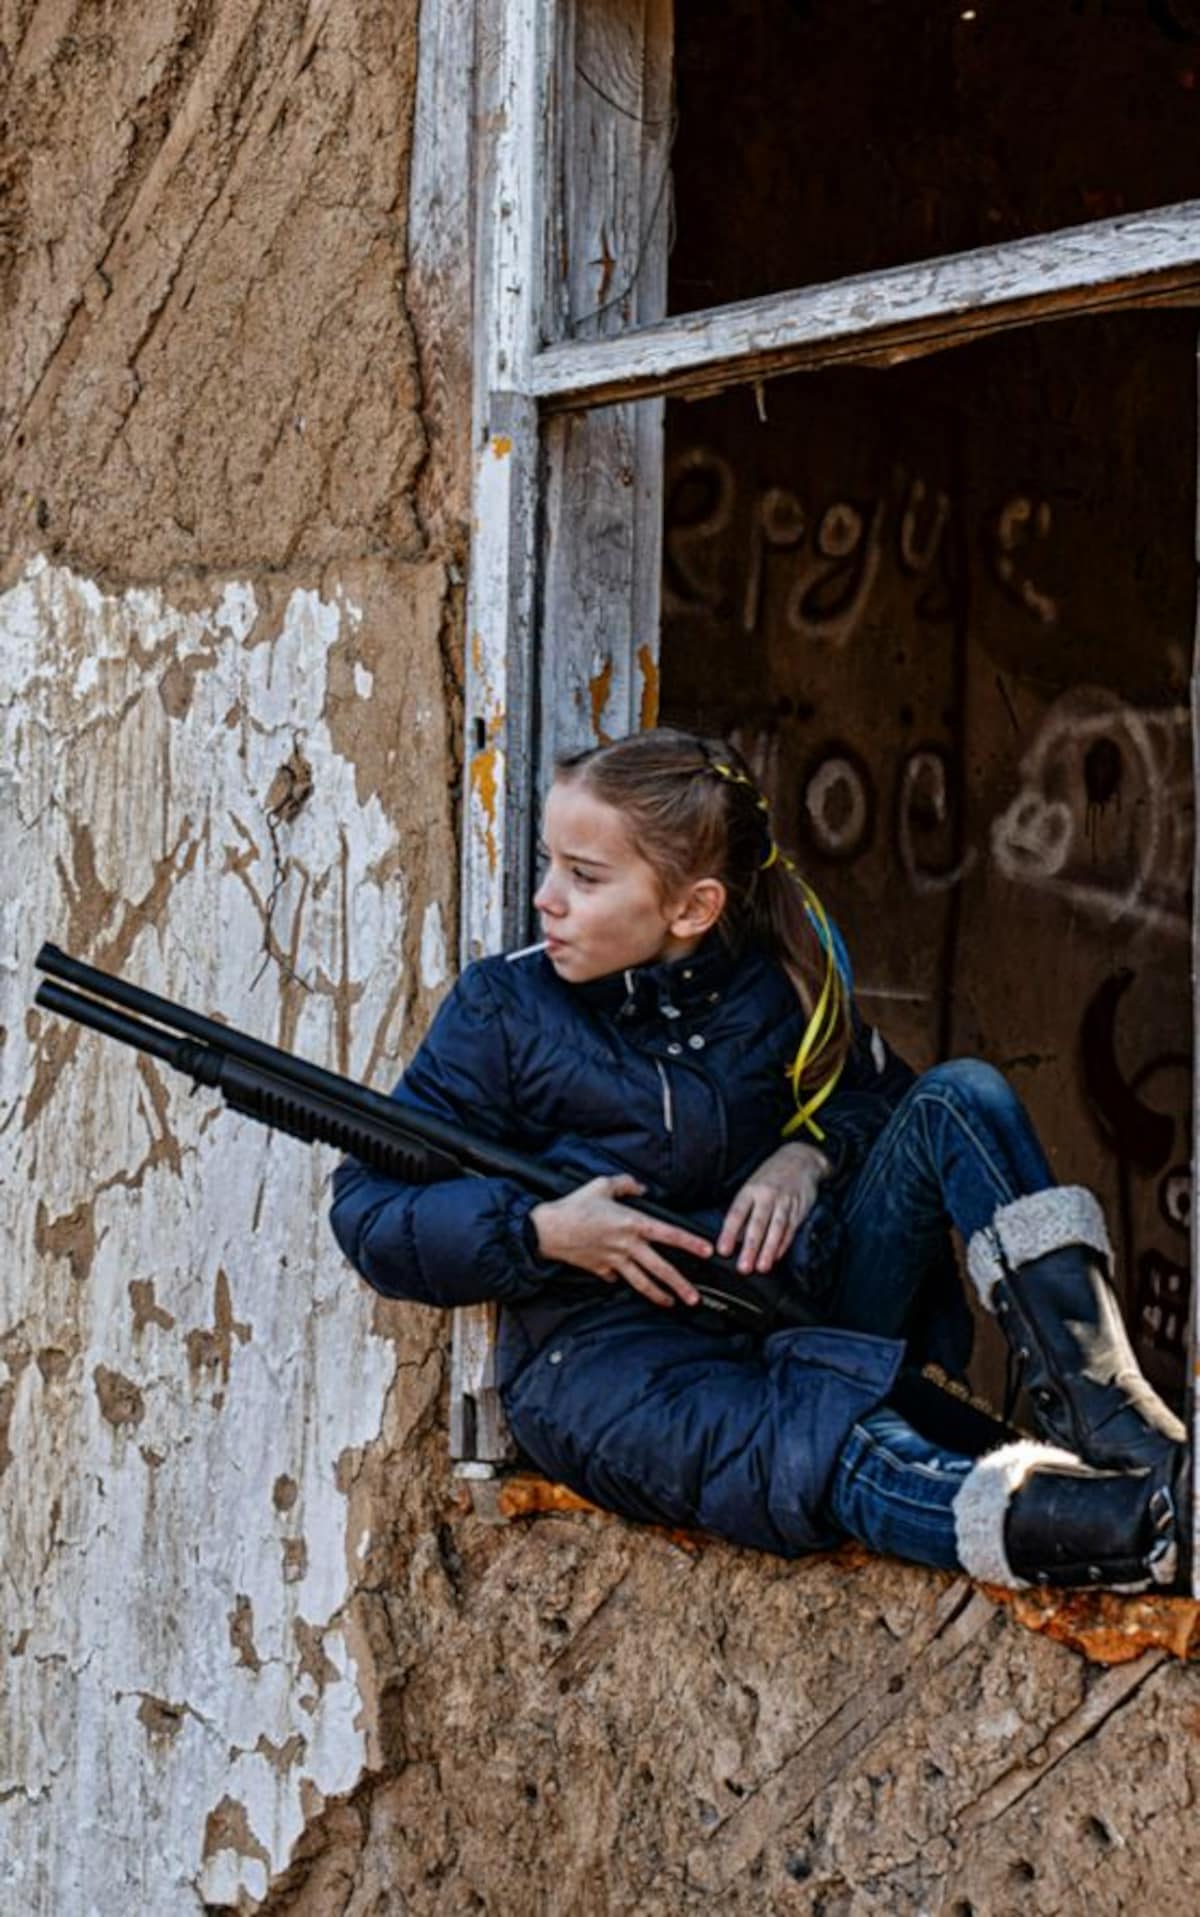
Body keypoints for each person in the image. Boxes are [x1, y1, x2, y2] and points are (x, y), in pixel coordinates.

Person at [330, 729, 1188, 1593]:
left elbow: (885, 1103)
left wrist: (808, 1153)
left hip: (795, 1304)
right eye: (550, 863)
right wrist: (541, 1232)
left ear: (692, 908)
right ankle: (1131, 1533)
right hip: (613, 1370)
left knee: (963, 1098)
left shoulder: (772, 983)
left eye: (584, 877)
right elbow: (368, 1206)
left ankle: (1127, 1437)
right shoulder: (503, 1009)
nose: (545, 899)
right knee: (827, 1445)